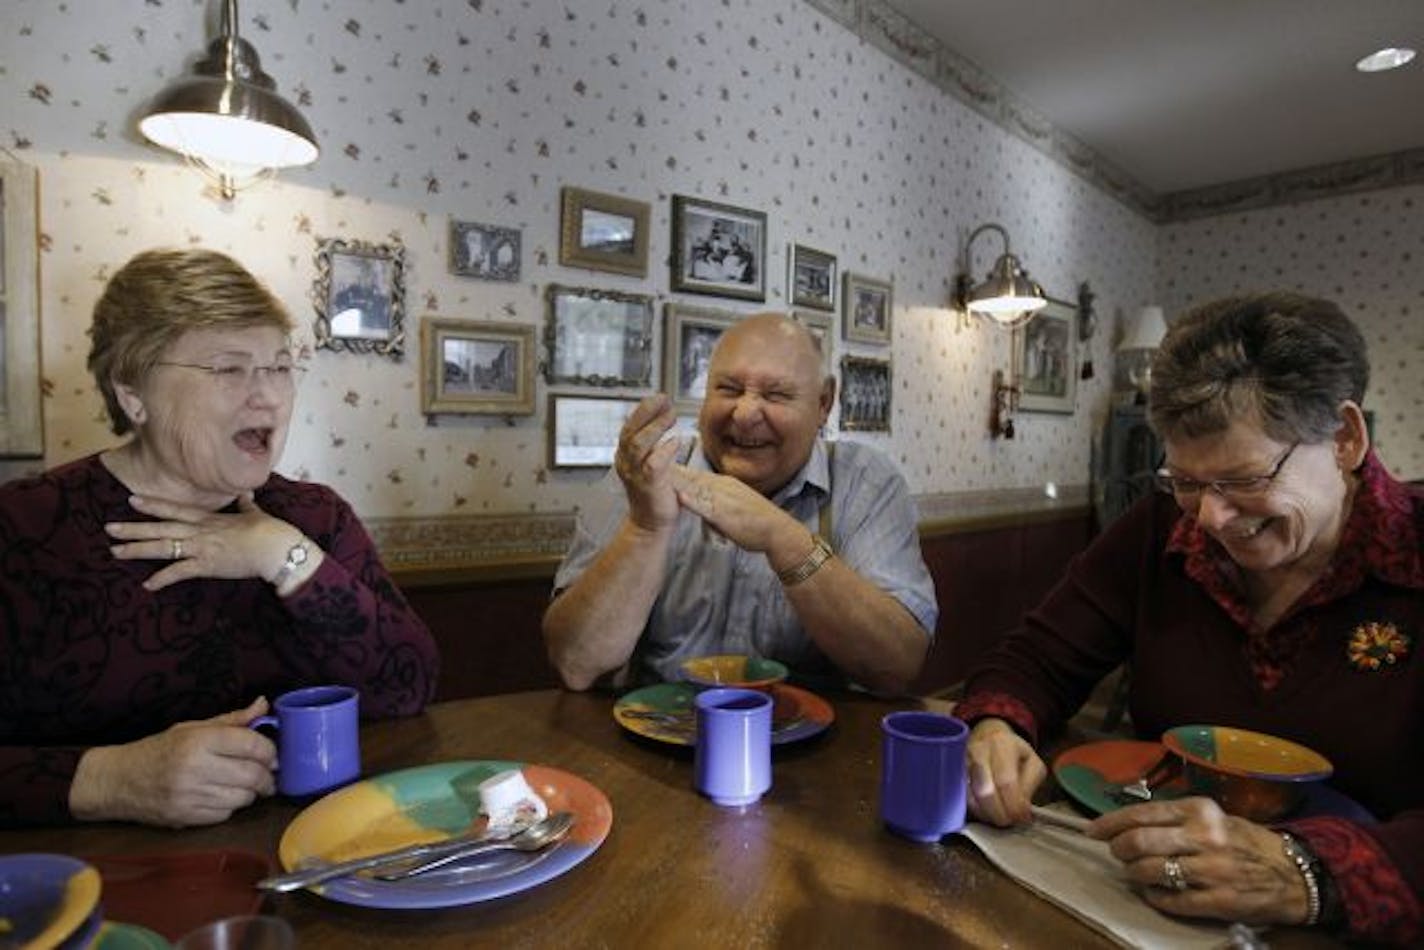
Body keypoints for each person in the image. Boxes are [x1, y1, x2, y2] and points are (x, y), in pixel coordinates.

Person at [957, 292, 1421, 945]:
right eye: (1187, 481)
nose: (1208, 520)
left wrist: (1305, 876)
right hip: (1152, 908)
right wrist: (995, 727)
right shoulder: (1157, 530)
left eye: (1242, 478)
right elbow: (1034, 662)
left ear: (1344, 438)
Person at [0, 248, 440, 829]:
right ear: (134, 394)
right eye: (230, 369)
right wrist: (112, 779)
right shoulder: (26, 527)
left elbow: (411, 685)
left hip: (327, 855)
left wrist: (283, 556)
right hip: (93, 894)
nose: (268, 396)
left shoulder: (314, 518)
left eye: (280, 366)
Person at [543, 313, 936, 694]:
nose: (745, 414)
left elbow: (896, 667)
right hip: (651, 734)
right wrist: (646, 529)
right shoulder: (647, 474)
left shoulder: (865, 483)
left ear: (823, 404)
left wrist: (783, 538)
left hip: (811, 748)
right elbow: (577, 664)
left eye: (776, 394)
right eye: (728, 389)